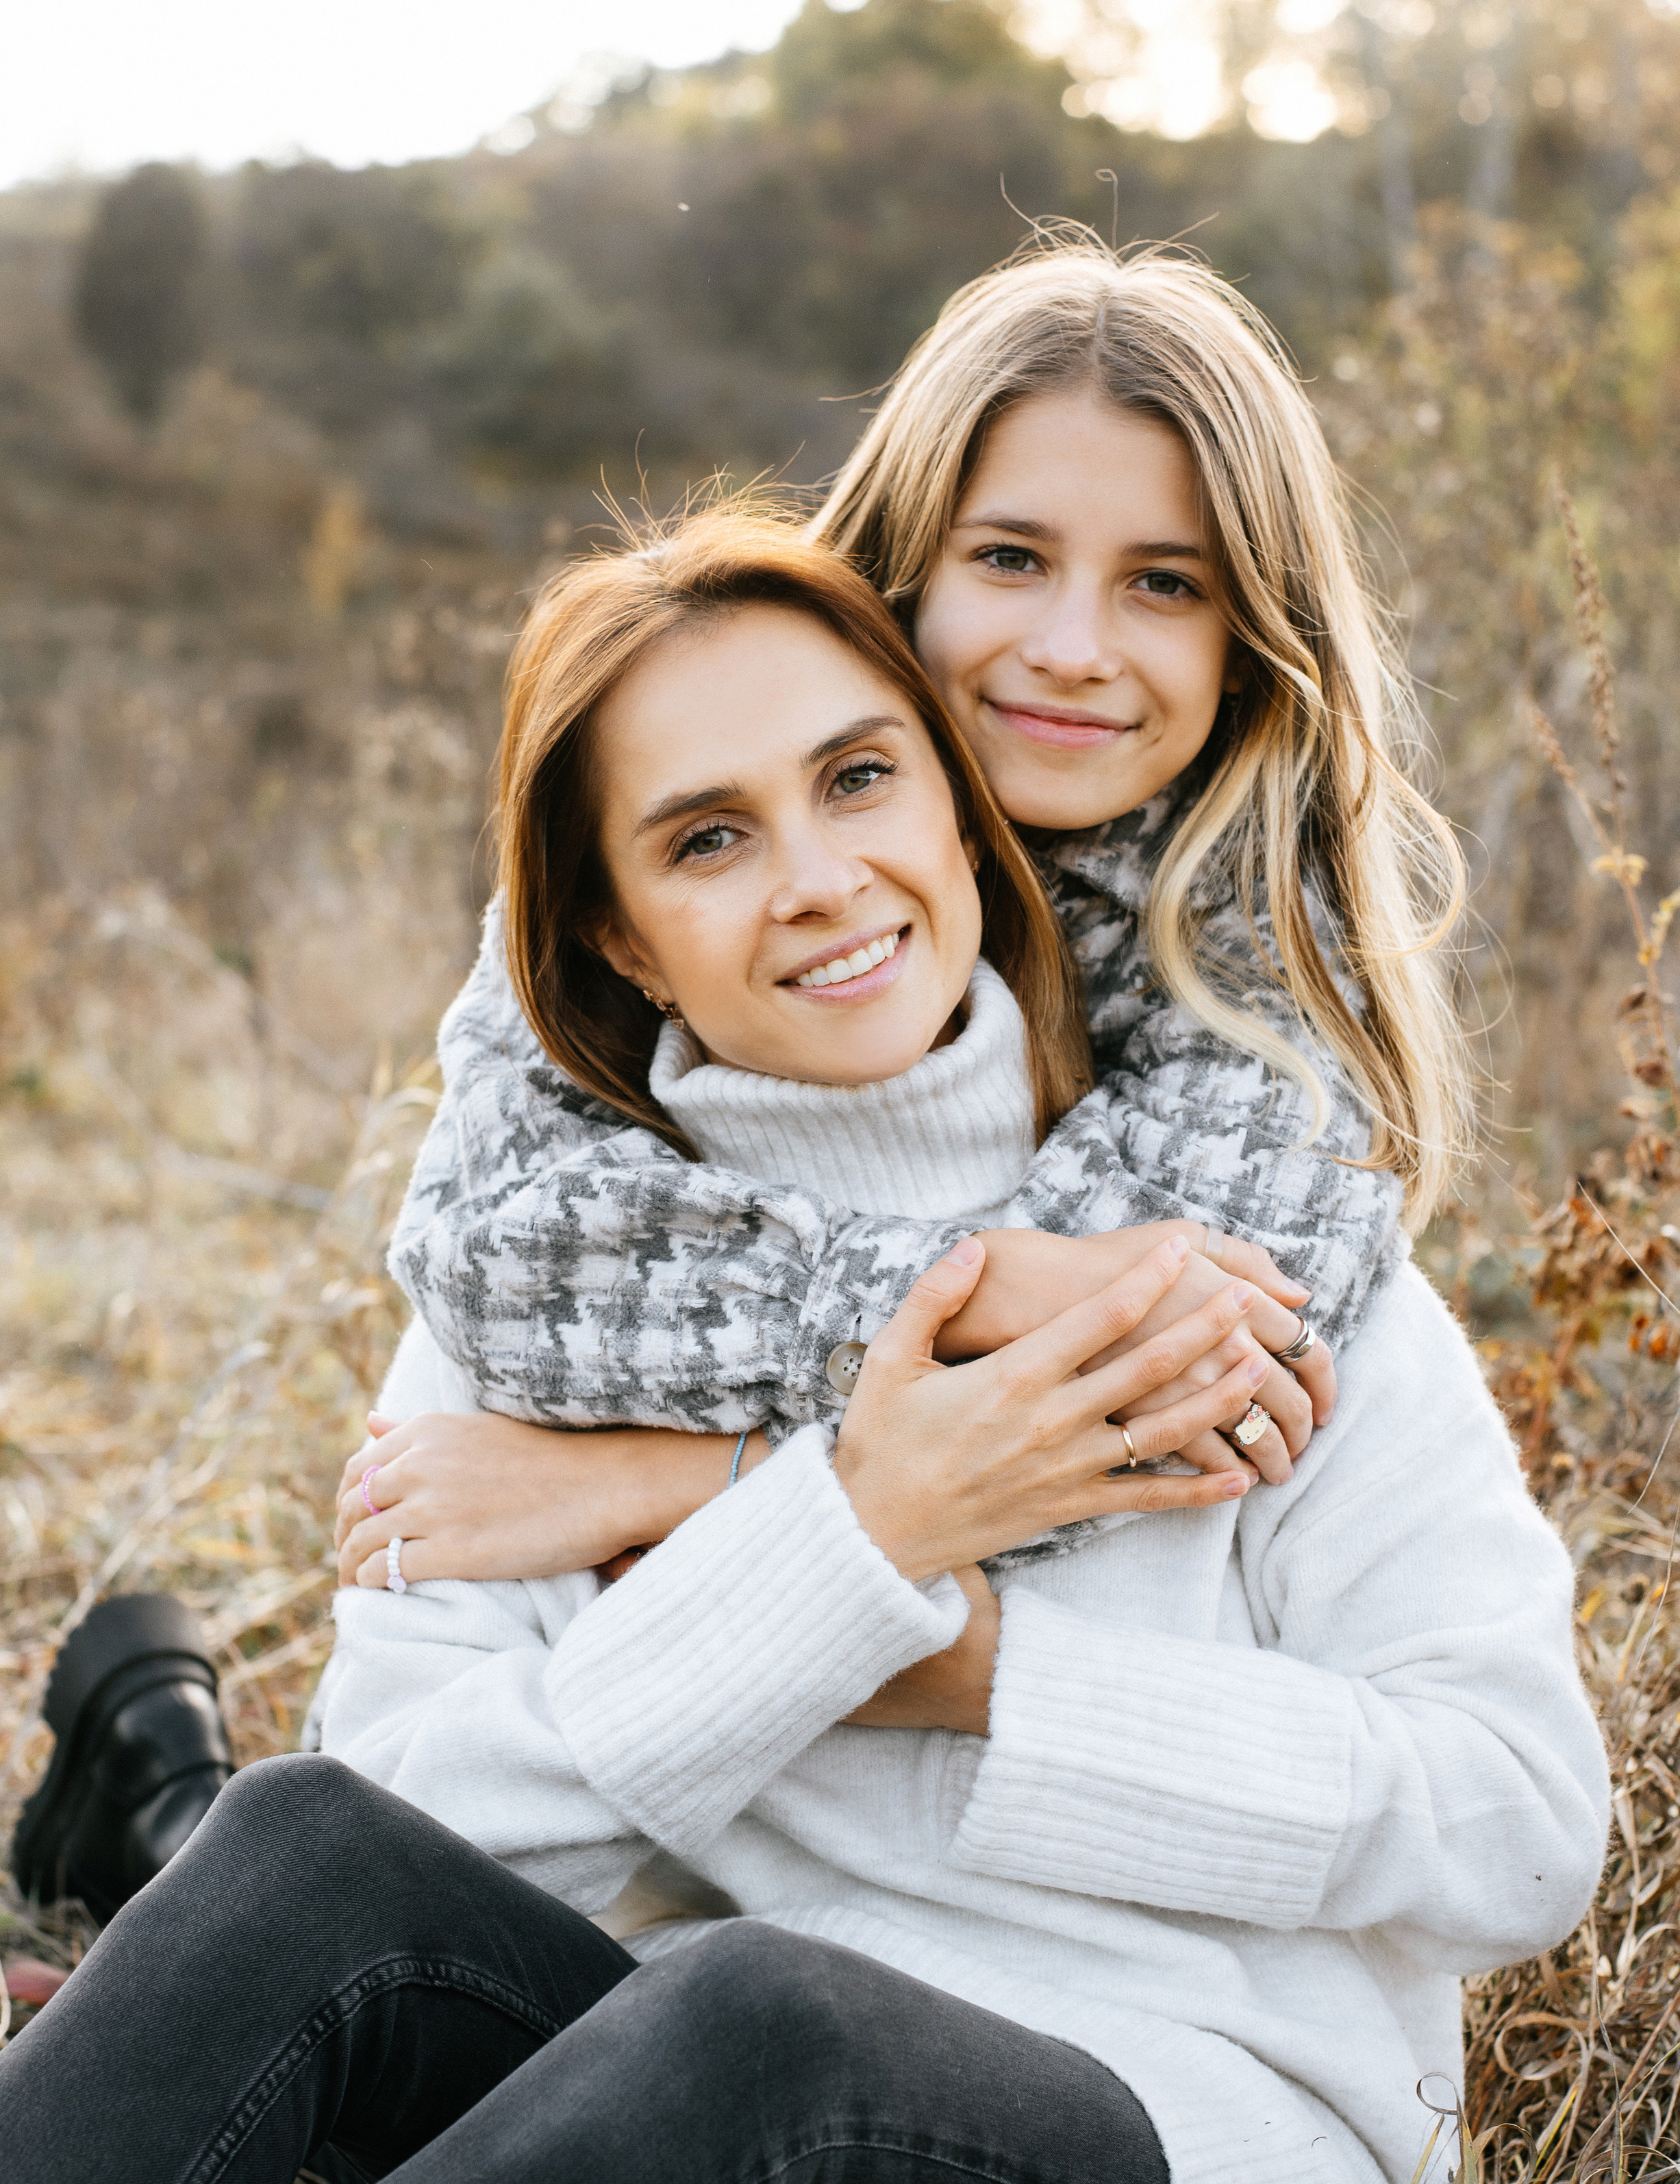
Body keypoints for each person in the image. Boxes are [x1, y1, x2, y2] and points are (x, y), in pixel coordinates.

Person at [0, 520, 1605, 2184]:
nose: (816, 875)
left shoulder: (1243, 1256)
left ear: (965, 808)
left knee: (762, 2019)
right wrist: (843, 1540)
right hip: (688, 2161)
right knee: (286, 1845)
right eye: (704, 839)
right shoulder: (541, 1312)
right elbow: (419, 1842)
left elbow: (1526, 1822)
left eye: (860, 777)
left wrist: (975, 1664)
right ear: (616, 935)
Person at [342, 231, 1468, 1600]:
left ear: (1245, 641)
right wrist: (990, 1281)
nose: (1068, 647)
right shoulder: (696, 832)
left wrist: (649, 1482)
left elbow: (1180, 1408)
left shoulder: (1272, 960)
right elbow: (493, 1261)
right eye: (1007, 558)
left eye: (1162, 583)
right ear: (905, 562)